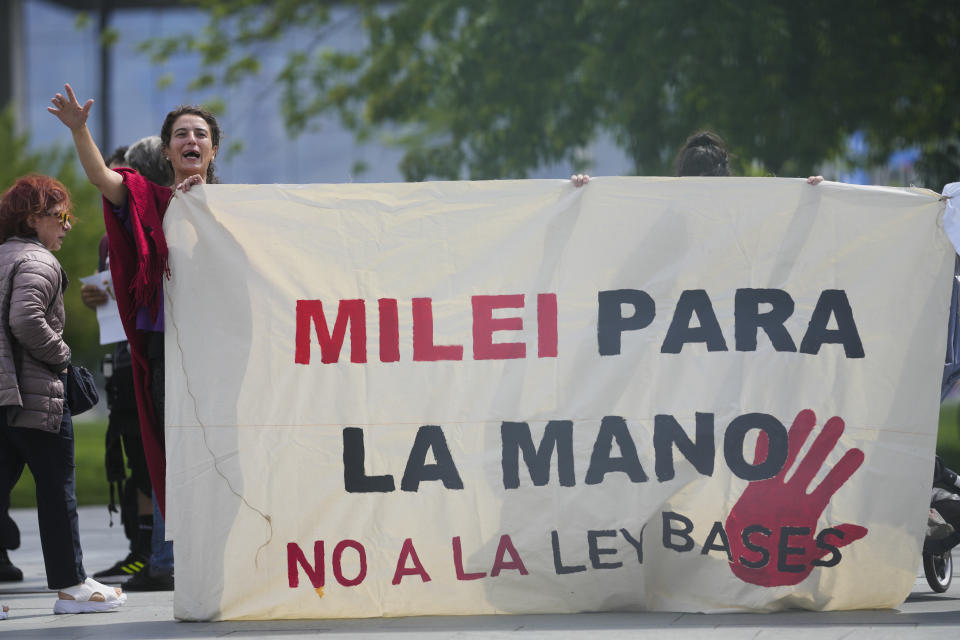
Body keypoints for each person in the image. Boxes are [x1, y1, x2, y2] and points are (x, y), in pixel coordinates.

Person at [49, 84, 221, 588]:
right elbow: (103, 178)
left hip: (224, 353)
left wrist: (208, 207)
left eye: (201, 133)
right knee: (175, 458)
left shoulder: (237, 208)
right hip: (170, 354)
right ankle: (171, 562)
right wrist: (80, 131)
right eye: (181, 134)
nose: (191, 139)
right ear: (167, 151)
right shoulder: (151, 201)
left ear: (213, 148)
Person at [0, 174, 126, 614]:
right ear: (34, 219)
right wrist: (63, 356)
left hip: (5, 398)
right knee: (58, 490)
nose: (68, 225)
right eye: (62, 215)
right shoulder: (39, 261)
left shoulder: (2, 257)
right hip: (37, 399)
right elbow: (26, 318)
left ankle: (74, 580)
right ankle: (72, 587)